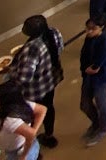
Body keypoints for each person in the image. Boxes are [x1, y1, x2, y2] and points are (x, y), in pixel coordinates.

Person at [7, 14, 64, 149]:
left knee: (32, 115)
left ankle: (30, 145)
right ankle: (49, 135)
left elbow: (24, 77)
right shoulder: (54, 33)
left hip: (35, 89)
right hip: (50, 81)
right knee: (49, 108)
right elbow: (60, 48)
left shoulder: (32, 48)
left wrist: (9, 71)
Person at [79, 14, 106, 147]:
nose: (88, 32)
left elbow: (97, 66)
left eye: (92, 29)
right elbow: (84, 55)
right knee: (84, 104)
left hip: (102, 77)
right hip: (88, 75)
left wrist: (91, 68)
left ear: (101, 28)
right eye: (87, 28)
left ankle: (104, 128)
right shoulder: (89, 38)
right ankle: (96, 123)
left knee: (101, 101)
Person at [0, 81, 46, 160]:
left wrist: (23, 156)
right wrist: (34, 130)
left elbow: (31, 134)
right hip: (29, 145)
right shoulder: (23, 104)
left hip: (18, 151)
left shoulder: (11, 120)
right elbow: (42, 109)